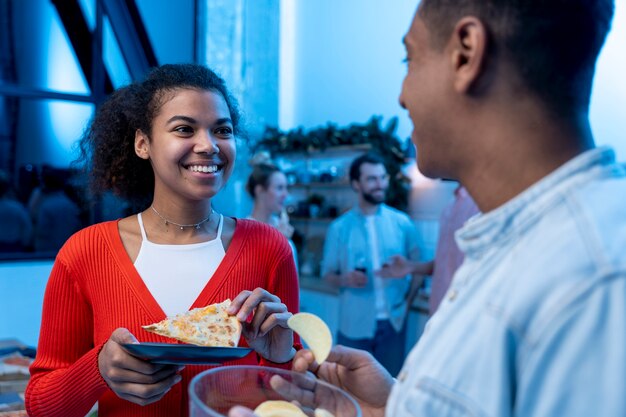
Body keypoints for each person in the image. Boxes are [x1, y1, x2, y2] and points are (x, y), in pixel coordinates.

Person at [231, 0, 626, 416]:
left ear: (466, 53)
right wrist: (386, 408)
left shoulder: (596, 276)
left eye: (410, 58)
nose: (401, 96)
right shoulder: (507, 244)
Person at [25, 64, 300, 417]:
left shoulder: (270, 248)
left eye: (222, 130)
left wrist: (282, 358)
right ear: (143, 143)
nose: (208, 145)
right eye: (185, 129)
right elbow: (41, 407)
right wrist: (98, 370)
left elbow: (293, 401)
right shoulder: (84, 253)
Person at [320, 153, 432, 376]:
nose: (380, 184)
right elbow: (327, 274)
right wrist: (344, 279)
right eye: (372, 179)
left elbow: (419, 265)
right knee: (350, 389)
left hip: (393, 324)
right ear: (356, 184)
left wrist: (407, 303)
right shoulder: (339, 228)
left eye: (382, 177)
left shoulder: (402, 223)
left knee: (390, 390)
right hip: (353, 325)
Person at [378, 183, 478, 314]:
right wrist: (411, 267)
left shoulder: (481, 206)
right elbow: (445, 263)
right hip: (438, 312)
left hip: (462, 314)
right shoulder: (451, 205)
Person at [246, 158, 298, 268]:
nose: (286, 194)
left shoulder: (281, 227)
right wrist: (278, 243)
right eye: (279, 188)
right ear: (259, 191)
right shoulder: (245, 233)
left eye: (286, 188)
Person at [31, 166, 83, 252]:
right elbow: (76, 227)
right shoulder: (70, 205)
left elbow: (41, 231)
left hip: (47, 251)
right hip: (68, 250)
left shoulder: (46, 206)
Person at [0, 170, 32, 252]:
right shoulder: (17, 207)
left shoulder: (17, 207)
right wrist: (26, 245)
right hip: (14, 246)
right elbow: (27, 227)